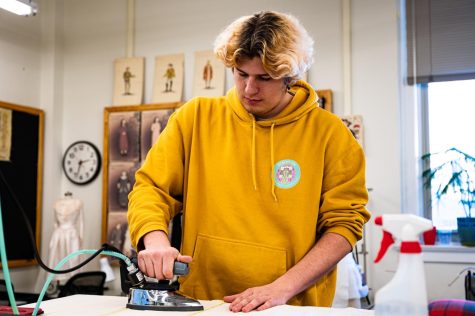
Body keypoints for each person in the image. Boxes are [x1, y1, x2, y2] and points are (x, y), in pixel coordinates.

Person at [128, 11, 370, 312]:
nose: (249, 89)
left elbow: (344, 225)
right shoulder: (195, 118)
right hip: (202, 300)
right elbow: (150, 188)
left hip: (288, 304)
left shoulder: (331, 135)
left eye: (264, 78)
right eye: (241, 74)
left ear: (290, 77)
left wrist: (282, 288)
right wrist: (154, 241)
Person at [48, 191, 84, 283]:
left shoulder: (77, 203)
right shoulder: (58, 203)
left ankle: (72, 283)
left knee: (71, 260)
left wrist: (80, 237)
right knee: (62, 261)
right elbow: (81, 223)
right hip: (67, 235)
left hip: (61, 235)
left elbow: (55, 223)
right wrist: (81, 237)